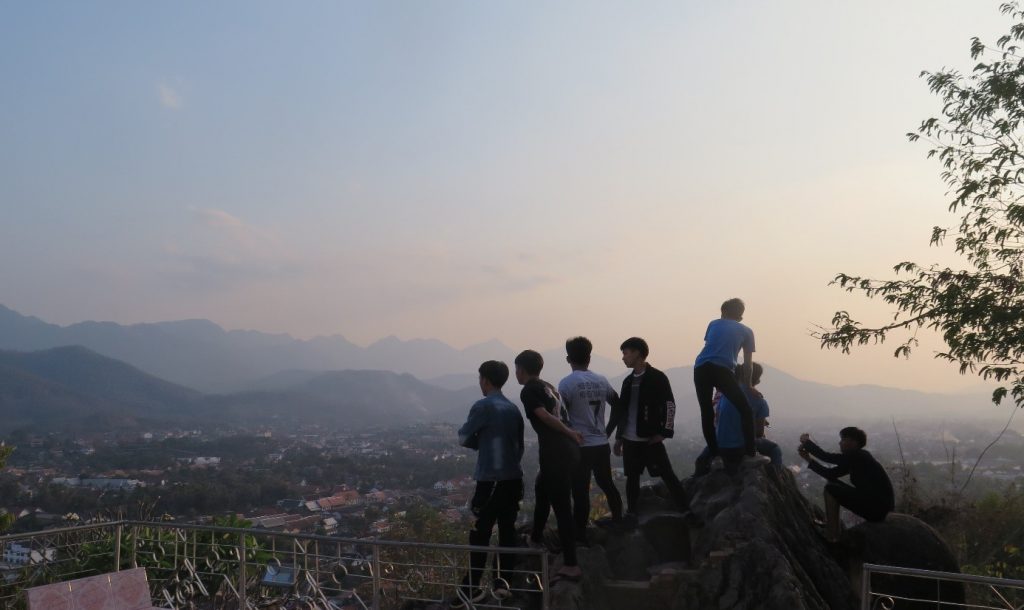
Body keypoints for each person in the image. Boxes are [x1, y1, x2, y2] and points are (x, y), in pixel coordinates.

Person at [454, 360, 525, 607]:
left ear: (484, 379)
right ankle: (502, 584)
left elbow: (463, 437)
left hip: (490, 481)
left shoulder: (483, 406)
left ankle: (471, 589)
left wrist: (479, 441)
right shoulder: (513, 408)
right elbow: (520, 447)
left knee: (479, 534)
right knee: (507, 531)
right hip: (514, 479)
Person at [515, 349, 584, 583]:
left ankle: (572, 564)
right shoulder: (548, 386)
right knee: (542, 488)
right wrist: (571, 434)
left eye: (517, 369)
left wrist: (569, 432)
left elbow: (544, 416)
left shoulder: (528, 391)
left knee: (562, 507)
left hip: (557, 451)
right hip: (567, 450)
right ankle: (536, 537)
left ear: (521, 369)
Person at [607, 337, 693, 526]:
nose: (623, 358)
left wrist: (664, 432)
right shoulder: (628, 381)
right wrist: (619, 437)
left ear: (637, 353)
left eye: (626, 353)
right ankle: (632, 513)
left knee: (667, 475)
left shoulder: (657, 377)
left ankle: (686, 510)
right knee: (632, 477)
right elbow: (623, 411)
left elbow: (669, 405)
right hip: (630, 439)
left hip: (650, 439)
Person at [557, 336, 625, 541]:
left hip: (580, 445)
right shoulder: (601, 380)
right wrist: (609, 430)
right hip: (601, 443)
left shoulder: (566, 384)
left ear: (568, 358)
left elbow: (562, 416)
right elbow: (618, 404)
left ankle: (580, 533)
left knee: (580, 489)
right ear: (589, 357)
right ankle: (618, 520)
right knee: (606, 483)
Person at [693, 298, 762, 463]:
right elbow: (747, 364)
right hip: (722, 370)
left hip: (700, 368)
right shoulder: (747, 331)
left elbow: (712, 346)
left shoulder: (714, 324)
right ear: (741, 316)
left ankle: (716, 456)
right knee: (745, 409)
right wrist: (749, 385)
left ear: (723, 312)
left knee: (707, 413)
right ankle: (751, 455)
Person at [799, 427, 895, 542]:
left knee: (830, 489)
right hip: (875, 504)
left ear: (853, 442)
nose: (840, 443)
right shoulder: (855, 459)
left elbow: (826, 457)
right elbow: (830, 474)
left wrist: (807, 442)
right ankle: (832, 526)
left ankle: (832, 535)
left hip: (877, 509)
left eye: (843, 439)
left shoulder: (858, 456)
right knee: (832, 483)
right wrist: (808, 459)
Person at [695, 362, 782, 475]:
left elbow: (719, 421)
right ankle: (775, 476)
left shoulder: (724, 395)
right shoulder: (760, 401)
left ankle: (700, 470)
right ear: (755, 380)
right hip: (742, 448)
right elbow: (759, 434)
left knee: (715, 441)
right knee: (775, 449)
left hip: (720, 446)